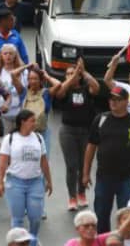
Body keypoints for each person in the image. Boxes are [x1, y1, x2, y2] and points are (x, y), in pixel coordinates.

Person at [84, 84, 130, 232]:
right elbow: (90, 147)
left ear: (127, 102)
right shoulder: (100, 120)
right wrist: (85, 173)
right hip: (104, 178)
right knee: (101, 216)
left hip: (127, 179)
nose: (113, 102)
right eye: (111, 99)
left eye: (118, 99)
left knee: (126, 218)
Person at [53, 58, 102, 211]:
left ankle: (81, 193)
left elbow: (97, 88)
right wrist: (72, 78)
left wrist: (84, 72)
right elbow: (59, 93)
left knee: (83, 165)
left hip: (86, 131)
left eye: (73, 73)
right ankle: (72, 196)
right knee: (71, 165)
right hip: (68, 131)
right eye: (67, 74)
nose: (70, 76)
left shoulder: (86, 88)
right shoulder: (64, 89)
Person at [0, 109, 52, 243]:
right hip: (15, 182)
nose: (35, 123)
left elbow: (44, 161)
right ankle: (17, 243)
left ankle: (32, 241)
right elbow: (3, 163)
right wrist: (0, 182)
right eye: (32, 121)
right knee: (17, 218)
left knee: (35, 217)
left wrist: (49, 181)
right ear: (22, 122)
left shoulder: (38, 138)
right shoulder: (9, 139)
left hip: (35, 182)